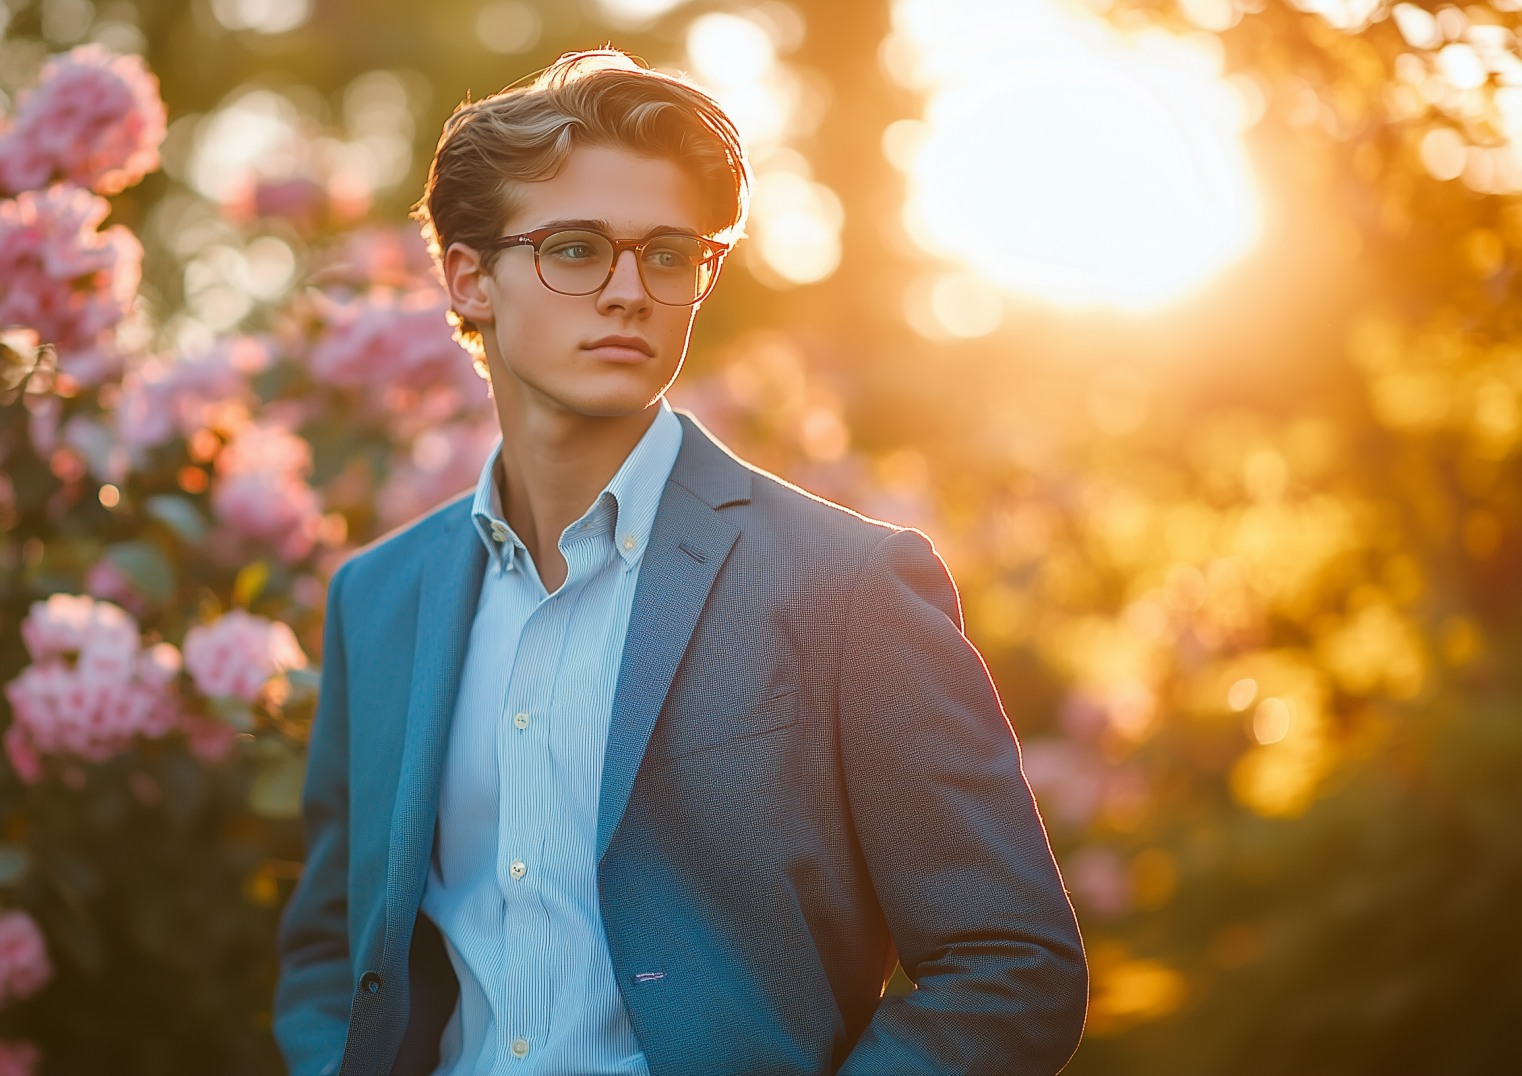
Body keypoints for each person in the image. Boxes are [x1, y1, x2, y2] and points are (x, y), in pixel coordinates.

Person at [274, 50, 1088, 1076]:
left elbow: (1010, 963)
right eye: (576, 249)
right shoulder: (378, 598)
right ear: (469, 277)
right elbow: (332, 946)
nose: (630, 291)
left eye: (668, 254)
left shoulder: (849, 585)